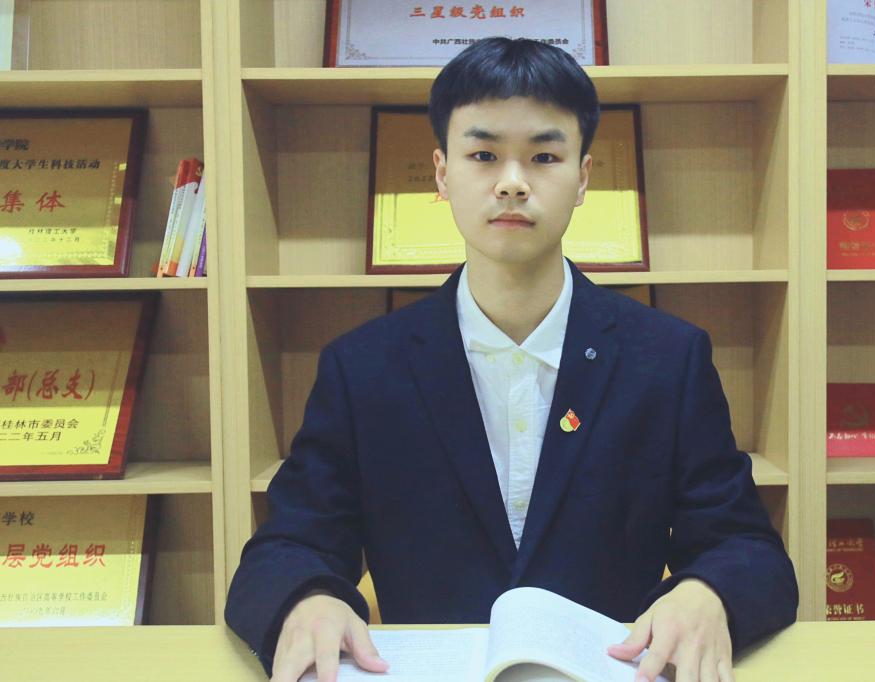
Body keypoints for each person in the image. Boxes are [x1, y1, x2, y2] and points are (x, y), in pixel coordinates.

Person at [225, 36, 798, 682]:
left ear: (583, 176)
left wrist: (708, 592)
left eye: (545, 156)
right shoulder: (362, 369)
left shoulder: (667, 360)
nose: (513, 182)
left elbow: (746, 548)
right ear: (442, 172)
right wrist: (307, 597)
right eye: (483, 155)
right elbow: (286, 546)